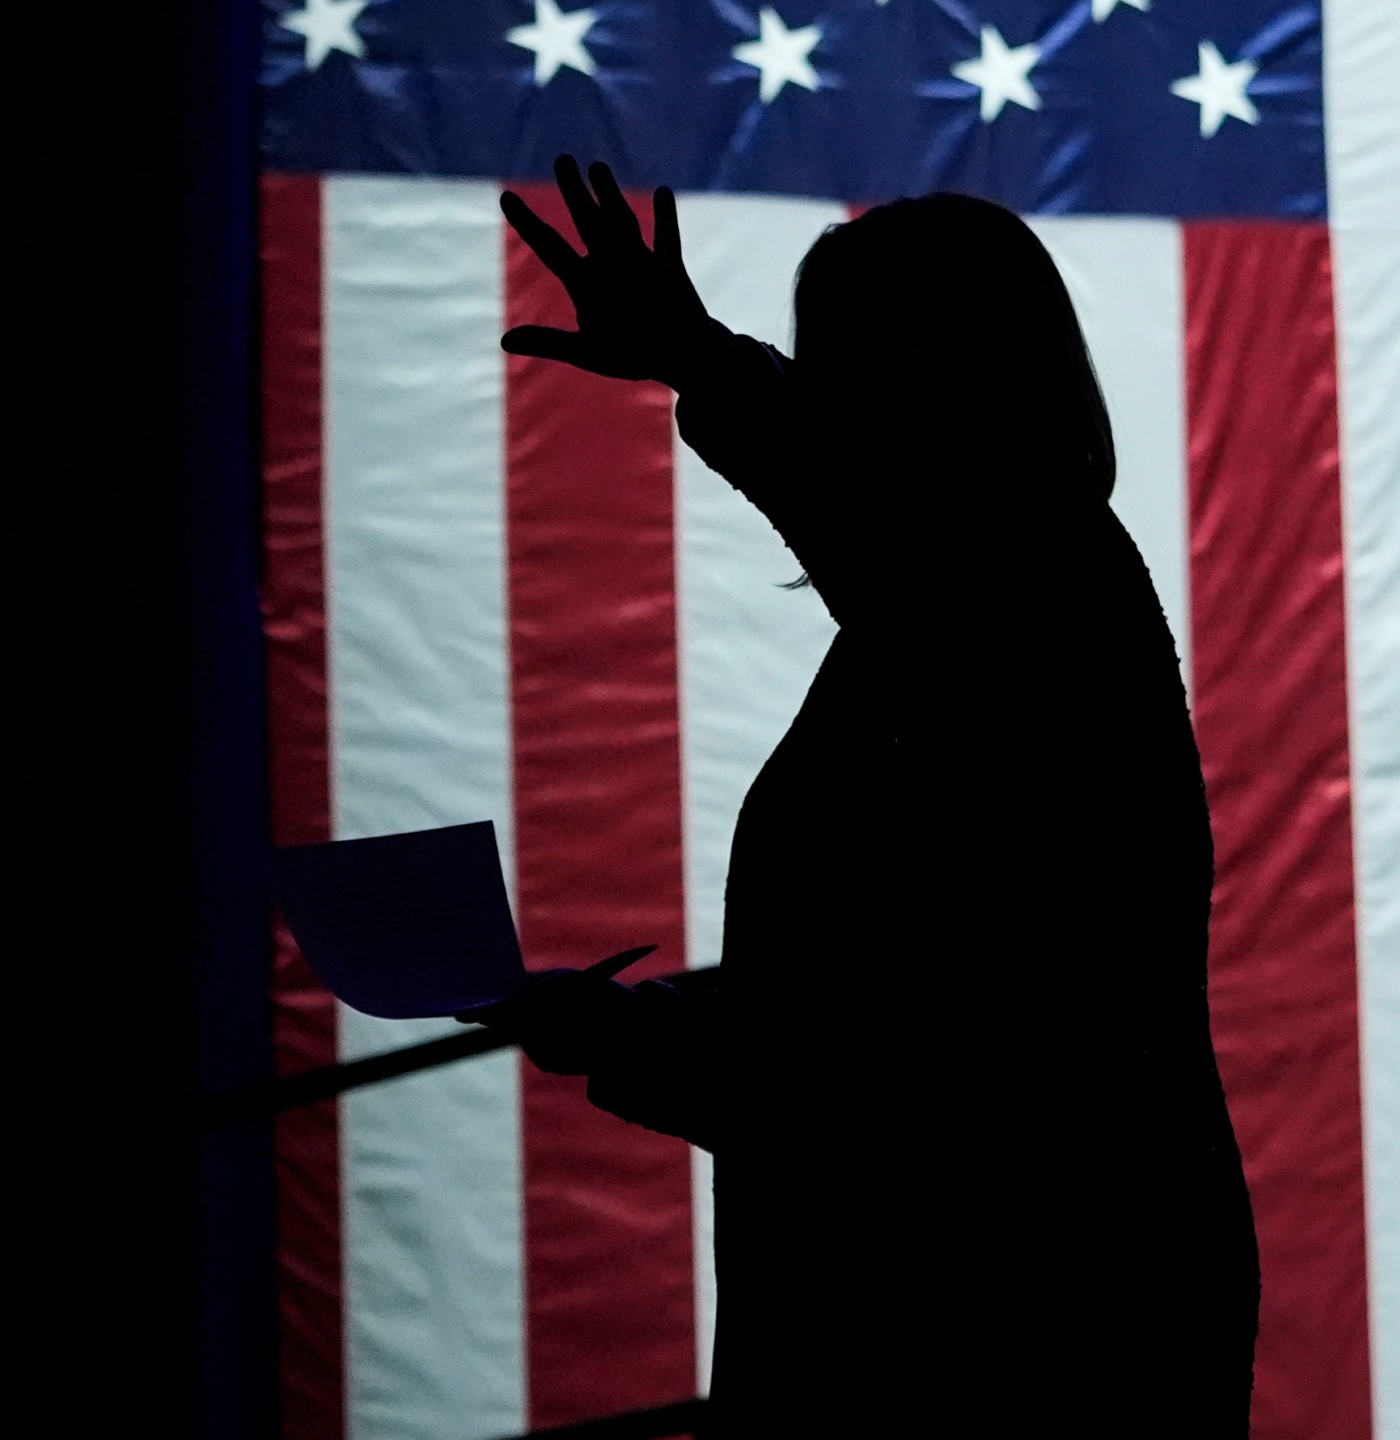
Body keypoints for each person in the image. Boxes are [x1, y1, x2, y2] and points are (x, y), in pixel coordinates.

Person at [476, 155, 1259, 1435]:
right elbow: (884, 992)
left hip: (1030, 1339)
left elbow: (948, 1055)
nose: (842, 384)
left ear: (999, 369)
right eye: (822, 351)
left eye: (887, 346)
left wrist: (703, 362)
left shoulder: (1035, 578)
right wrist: (648, 1019)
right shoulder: (936, 620)